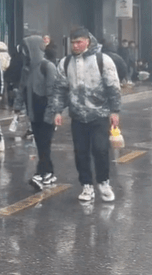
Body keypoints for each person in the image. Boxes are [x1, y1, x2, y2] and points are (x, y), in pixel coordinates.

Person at [53, 28, 121, 202]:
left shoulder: (102, 60)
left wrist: (115, 111)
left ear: (87, 41)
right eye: (73, 43)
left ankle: (104, 182)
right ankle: (86, 185)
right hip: (77, 116)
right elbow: (60, 89)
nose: (75, 46)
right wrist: (57, 111)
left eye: (79, 42)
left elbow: (113, 87)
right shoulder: (65, 63)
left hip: (99, 114)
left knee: (100, 150)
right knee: (80, 152)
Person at [16, 35, 58, 190]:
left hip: (46, 112)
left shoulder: (48, 67)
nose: (24, 53)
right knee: (41, 144)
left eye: (26, 50)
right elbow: (21, 88)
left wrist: (51, 114)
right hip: (33, 113)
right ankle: (49, 172)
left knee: (44, 143)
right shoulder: (26, 69)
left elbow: (53, 93)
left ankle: (40, 173)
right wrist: (17, 105)